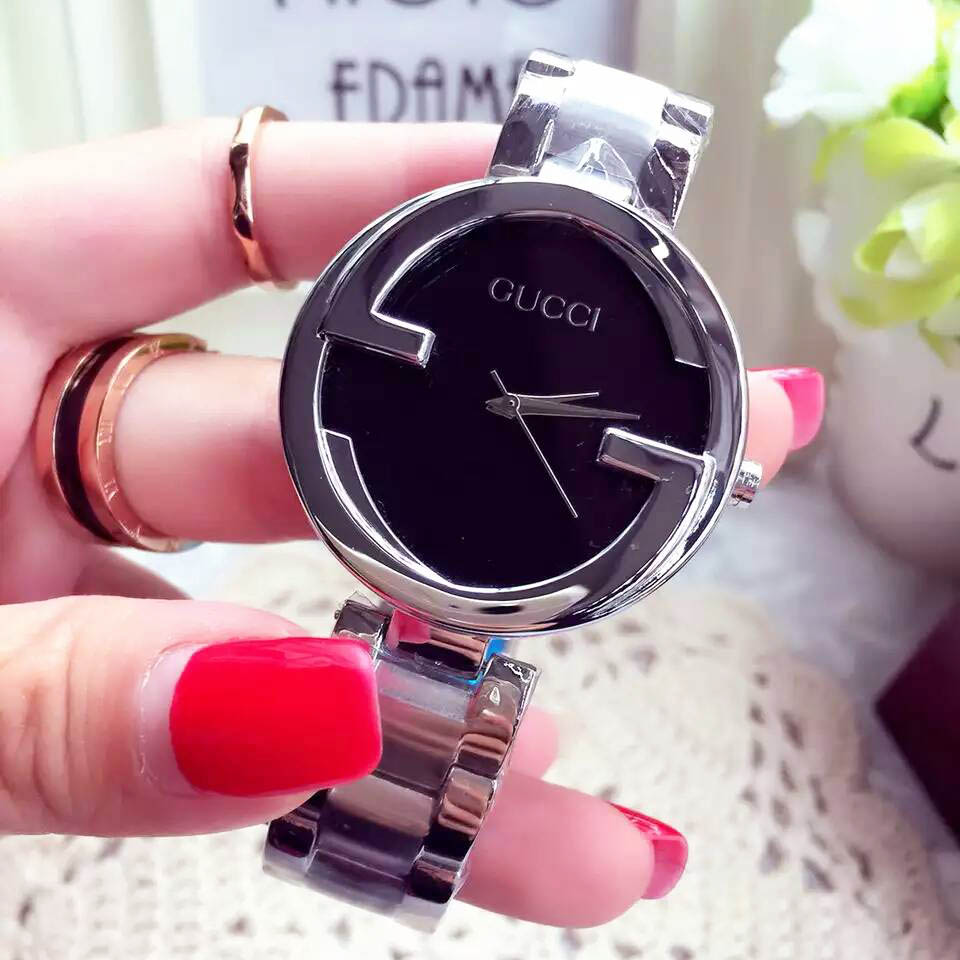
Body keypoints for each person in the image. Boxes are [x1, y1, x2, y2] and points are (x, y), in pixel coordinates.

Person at [0, 119, 824, 927]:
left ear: (726, 479)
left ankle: (378, 854)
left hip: (481, 563)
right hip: (418, 533)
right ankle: (357, 846)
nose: (511, 405)